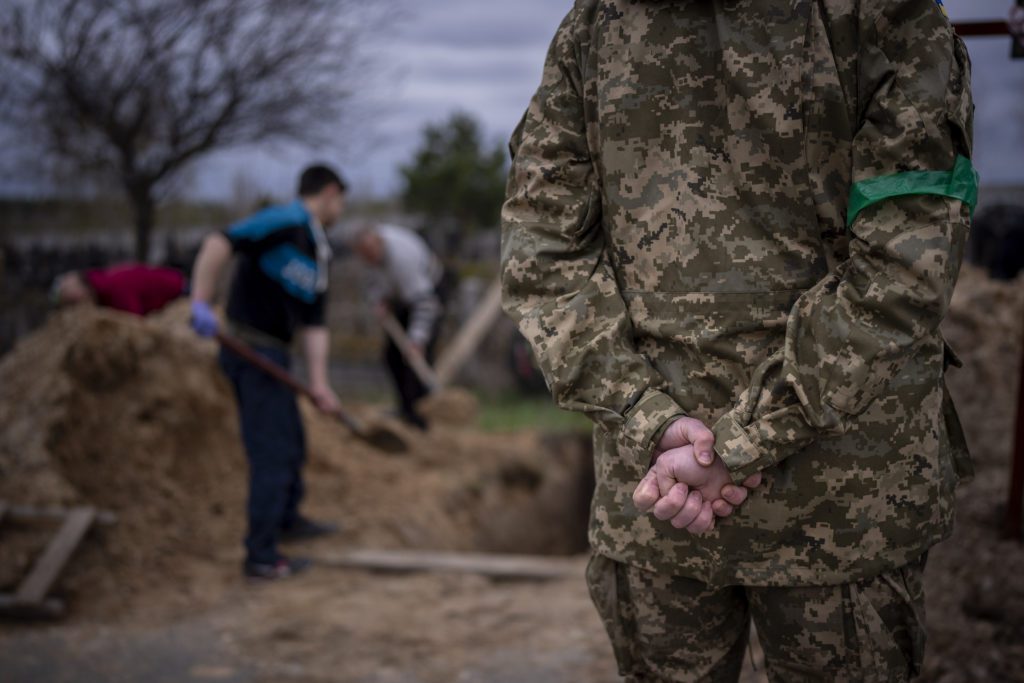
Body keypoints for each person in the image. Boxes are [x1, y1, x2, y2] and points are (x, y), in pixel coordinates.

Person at [501, 1, 975, 680]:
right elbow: (907, 267)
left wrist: (654, 421)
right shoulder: (885, 13)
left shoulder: (598, 22)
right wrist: (739, 442)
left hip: (664, 495)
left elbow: (539, 254)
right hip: (845, 505)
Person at [189, 164, 347, 580]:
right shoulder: (285, 220)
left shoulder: (318, 250)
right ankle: (261, 555)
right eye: (342, 201)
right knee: (271, 452)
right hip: (248, 348)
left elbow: (314, 325)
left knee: (291, 440)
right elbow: (219, 241)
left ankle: (287, 520)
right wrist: (201, 301)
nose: (341, 210)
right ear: (330, 192)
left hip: (277, 355)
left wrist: (319, 384)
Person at [351, 224, 447, 430]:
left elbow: (425, 303)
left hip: (428, 294)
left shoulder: (403, 259)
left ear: (379, 245)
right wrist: (378, 300)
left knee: (414, 359)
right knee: (392, 357)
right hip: (399, 298)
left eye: (371, 255)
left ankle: (421, 420)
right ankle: (405, 410)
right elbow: (372, 284)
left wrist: (417, 339)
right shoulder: (369, 258)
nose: (369, 261)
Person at [51, 264, 186, 315]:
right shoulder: (103, 281)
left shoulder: (112, 289)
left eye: (74, 303)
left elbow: (134, 320)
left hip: (181, 292)